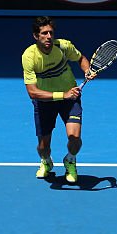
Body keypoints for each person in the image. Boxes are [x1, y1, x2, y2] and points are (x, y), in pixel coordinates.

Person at [22, 16, 95, 183]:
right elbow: (32, 92)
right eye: (44, 33)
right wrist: (63, 94)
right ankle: (46, 162)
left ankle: (70, 159)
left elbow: (81, 58)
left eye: (51, 33)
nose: (48, 36)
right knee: (43, 147)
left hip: (70, 99)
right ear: (36, 36)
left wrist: (87, 70)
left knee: (74, 137)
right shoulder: (29, 56)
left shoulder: (63, 46)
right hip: (45, 101)